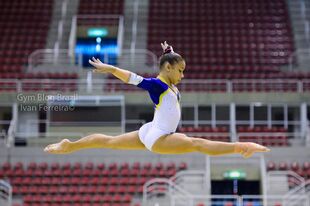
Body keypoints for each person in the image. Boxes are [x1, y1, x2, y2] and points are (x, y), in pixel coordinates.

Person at [44, 41, 270, 158]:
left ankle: (70, 146)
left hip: (151, 129)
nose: (182, 75)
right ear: (169, 68)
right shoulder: (158, 86)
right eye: (180, 70)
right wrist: (110, 68)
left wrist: (168, 51)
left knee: (109, 141)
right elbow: (132, 78)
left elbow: (169, 60)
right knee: (197, 144)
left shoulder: (169, 83)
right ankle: (242, 147)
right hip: (160, 137)